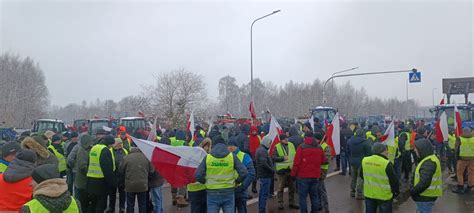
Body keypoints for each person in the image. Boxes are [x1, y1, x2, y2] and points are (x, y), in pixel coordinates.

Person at [195, 135, 247, 213]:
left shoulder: (208, 157)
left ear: (213, 145)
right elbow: (244, 172)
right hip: (228, 191)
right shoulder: (232, 156)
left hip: (212, 192)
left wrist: (205, 181)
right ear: (225, 145)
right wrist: (237, 181)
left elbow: (198, 175)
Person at [291, 132, 327, 213]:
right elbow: (324, 160)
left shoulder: (301, 147)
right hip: (315, 176)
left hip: (303, 176)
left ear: (305, 138)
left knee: (303, 198)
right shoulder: (319, 147)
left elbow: (296, 163)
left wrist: (293, 174)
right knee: (314, 196)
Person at [361, 143, 399, 213]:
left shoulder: (365, 160)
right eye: (386, 150)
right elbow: (393, 181)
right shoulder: (386, 163)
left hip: (369, 193)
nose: (387, 152)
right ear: (382, 151)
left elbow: (361, 175)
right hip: (384, 196)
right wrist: (395, 192)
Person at [119, 147, 155, 213]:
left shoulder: (126, 158)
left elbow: (121, 170)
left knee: (130, 205)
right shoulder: (146, 158)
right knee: (142, 205)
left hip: (130, 185)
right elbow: (152, 171)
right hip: (143, 185)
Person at [410, 139, 442, 213]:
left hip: (425, 196)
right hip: (425, 196)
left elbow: (424, 182)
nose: (415, 150)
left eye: (416, 149)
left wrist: (413, 191)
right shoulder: (428, 159)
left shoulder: (429, 162)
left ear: (422, 149)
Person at [86, 135, 116, 213]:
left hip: (90, 181)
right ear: (109, 143)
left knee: (92, 204)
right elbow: (106, 168)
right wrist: (111, 182)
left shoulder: (94, 148)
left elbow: (88, 163)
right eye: (111, 144)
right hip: (101, 183)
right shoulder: (105, 150)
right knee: (101, 205)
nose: (111, 146)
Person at [228, 137, 256, 213]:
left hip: (240, 191)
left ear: (235, 146)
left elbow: (252, 173)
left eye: (231, 145)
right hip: (229, 191)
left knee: (241, 209)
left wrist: (242, 187)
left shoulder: (244, 156)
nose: (229, 147)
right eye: (228, 145)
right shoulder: (226, 156)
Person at [272, 134, 299, 210]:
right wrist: (282, 158)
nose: (286, 140)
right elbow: (273, 158)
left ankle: (292, 202)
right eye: (284, 139)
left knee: (292, 187)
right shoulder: (276, 147)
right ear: (281, 140)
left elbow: (295, 155)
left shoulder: (291, 145)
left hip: (290, 169)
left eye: (286, 138)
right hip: (281, 171)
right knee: (280, 188)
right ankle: (280, 203)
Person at [188, 137, 212, 213]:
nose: (207, 148)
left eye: (208, 146)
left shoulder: (207, 156)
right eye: (206, 145)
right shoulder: (203, 157)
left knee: (202, 209)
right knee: (197, 209)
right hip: (195, 189)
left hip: (203, 189)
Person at [347, 129, 372, 199]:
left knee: (353, 177)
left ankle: (352, 191)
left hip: (352, 161)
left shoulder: (349, 141)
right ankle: (359, 194)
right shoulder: (365, 142)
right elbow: (369, 153)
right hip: (362, 162)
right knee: (360, 178)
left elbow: (348, 151)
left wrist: (351, 158)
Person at [72, 133, 94, 211]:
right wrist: (90, 174)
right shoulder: (82, 150)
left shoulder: (87, 149)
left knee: (85, 203)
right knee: (82, 203)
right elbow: (82, 166)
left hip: (84, 182)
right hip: (82, 182)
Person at [108, 138, 129, 213]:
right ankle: (111, 208)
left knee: (122, 194)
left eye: (121, 143)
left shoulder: (125, 151)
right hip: (113, 175)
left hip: (122, 176)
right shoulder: (110, 151)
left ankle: (122, 208)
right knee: (112, 194)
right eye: (119, 143)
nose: (120, 145)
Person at [256, 136, 274, 213]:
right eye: (270, 144)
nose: (270, 145)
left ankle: (261, 209)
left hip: (263, 174)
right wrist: (272, 170)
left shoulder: (260, 150)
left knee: (262, 193)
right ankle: (262, 210)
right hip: (265, 175)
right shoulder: (263, 151)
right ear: (266, 143)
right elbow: (263, 163)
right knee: (264, 194)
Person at [452, 127, 474, 194]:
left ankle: (460, 187)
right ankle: (470, 187)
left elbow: (456, 149)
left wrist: (456, 158)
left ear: (463, 131)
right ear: (470, 132)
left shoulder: (459, 138)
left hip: (462, 159)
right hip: (472, 158)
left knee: (460, 173)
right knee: (471, 173)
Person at [319, 134, 332, 213]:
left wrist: (316, 159)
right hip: (317, 169)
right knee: (318, 189)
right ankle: (319, 205)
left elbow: (326, 160)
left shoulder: (326, 147)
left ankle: (325, 208)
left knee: (322, 189)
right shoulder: (318, 145)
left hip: (322, 170)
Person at [248, 125, 261, 194]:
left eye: (255, 131)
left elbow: (260, 144)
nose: (254, 132)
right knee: (251, 172)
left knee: (256, 173)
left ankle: (254, 187)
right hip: (250, 157)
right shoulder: (248, 137)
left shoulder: (258, 137)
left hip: (257, 157)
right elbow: (247, 147)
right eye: (253, 131)